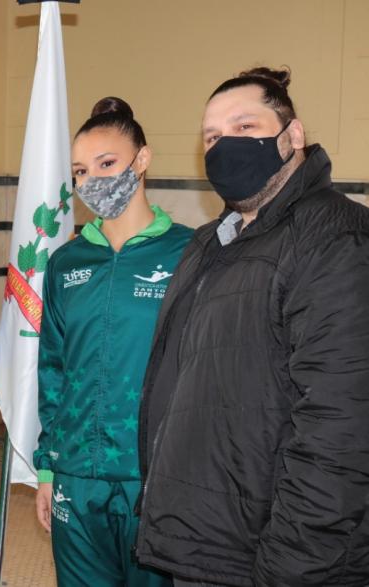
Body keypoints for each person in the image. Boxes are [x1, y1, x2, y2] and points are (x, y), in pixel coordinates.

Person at [135, 67, 369, 586]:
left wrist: (290, 569)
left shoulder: (336, 239)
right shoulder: (207, 243)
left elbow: (342, 431)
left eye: (245, 127)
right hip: (204, 545)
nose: (225, 145)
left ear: (293, 135)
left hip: (275, 560)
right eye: (213, 137)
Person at [34, 97, 192, 586]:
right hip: (76, 478)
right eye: (81, 171)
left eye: (108, 164)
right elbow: (53, 369)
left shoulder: (192, 253)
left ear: (141, 160)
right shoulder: (65, 262)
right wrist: (47, 470)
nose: (92, 181)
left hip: (155, 478)